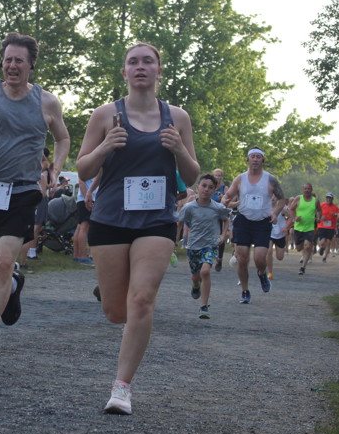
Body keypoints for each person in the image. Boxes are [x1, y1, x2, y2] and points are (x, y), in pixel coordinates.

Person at [77, 42, 199, 414]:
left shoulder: (177, 117)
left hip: (157, 221)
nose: (141, 67)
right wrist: (105, 148)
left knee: (142, 299)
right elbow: (83, 168)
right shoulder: (105, 115)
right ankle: (113, 290)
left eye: (148, 61)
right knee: (117, 312)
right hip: (110, 219)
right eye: (133, 62)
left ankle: (121, 388)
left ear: (159, 70)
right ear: (125, 72)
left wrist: (179, 149)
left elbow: (192, 175)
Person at [0, 33, 69, 371]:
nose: (12, 65)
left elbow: (62, 137)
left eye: (19, 60)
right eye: (7, 60)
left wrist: (55, 167)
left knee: (4, 262)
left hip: (24, 191)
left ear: (31, 65)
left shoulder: (46, 102)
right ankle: (15, 284)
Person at [222, 148, 287, 304]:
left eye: (258, 157)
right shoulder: (240, 178)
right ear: (248, 159)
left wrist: (275, 213)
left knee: (259, 258)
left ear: (263, 160)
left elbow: (282, 199)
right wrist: (225, 200)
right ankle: (245, 291)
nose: (256, 159)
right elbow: (228, 195)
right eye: (253, 156)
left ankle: (262, 273)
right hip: (243, 220)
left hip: (262, 222)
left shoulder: (270, 179)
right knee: (242, 257)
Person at [178, 174, 229, 319]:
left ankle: (204, 306)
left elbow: (226, 219)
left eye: (210, 187)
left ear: (214, 190)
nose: (206, 189)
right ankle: (195, 285)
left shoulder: (217, 208)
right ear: (197, 187)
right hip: (194, 245)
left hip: (210, 244)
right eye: (204, 186)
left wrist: (223, 235)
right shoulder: (189, 207)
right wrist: (174, 241)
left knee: (205, 272)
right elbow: (179, 223)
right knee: (196, 276)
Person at [290, 183, 321, 276]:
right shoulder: (298, 198)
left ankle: (303, 267)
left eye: (309, 189)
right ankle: (302, 251)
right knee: (299, 248)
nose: (307, 190)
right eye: (305, 189)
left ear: (311, 190)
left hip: (310, 228)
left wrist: (318, 217)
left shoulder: (315, 201)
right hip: (298, 227)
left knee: (307, 247)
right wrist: (294, 218)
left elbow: (319, 210)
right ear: (302, 190)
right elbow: (291, 209)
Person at [317, 192, 339, 262]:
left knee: (329, 242)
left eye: (330, 198)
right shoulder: (322, 205)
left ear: (332, 199)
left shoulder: (335, 207)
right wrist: (320, 217)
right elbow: (317, 212)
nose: (328, 199)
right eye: (327, 198)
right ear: (326, 198)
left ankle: (324, 257)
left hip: (331, 227)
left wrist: (335, 214)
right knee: (323, 241)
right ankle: (321, 247)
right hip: (322, 226)